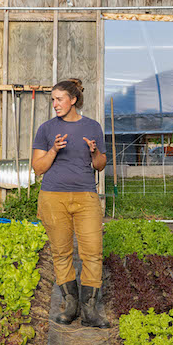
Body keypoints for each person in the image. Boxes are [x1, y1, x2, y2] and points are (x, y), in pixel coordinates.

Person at [31, 78, 109, 328]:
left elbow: (100, 165)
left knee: (93, 253)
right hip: (53, 197)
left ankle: (90, 310)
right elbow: (38, 168)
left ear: (73, 100)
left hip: (86, 196)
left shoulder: (93, 127)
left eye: (59, 99)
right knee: (61, 253)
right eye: (52, 100)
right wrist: (53, 150)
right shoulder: (46, 129)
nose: (55, 104)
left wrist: (94, 152)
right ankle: (71, 305)